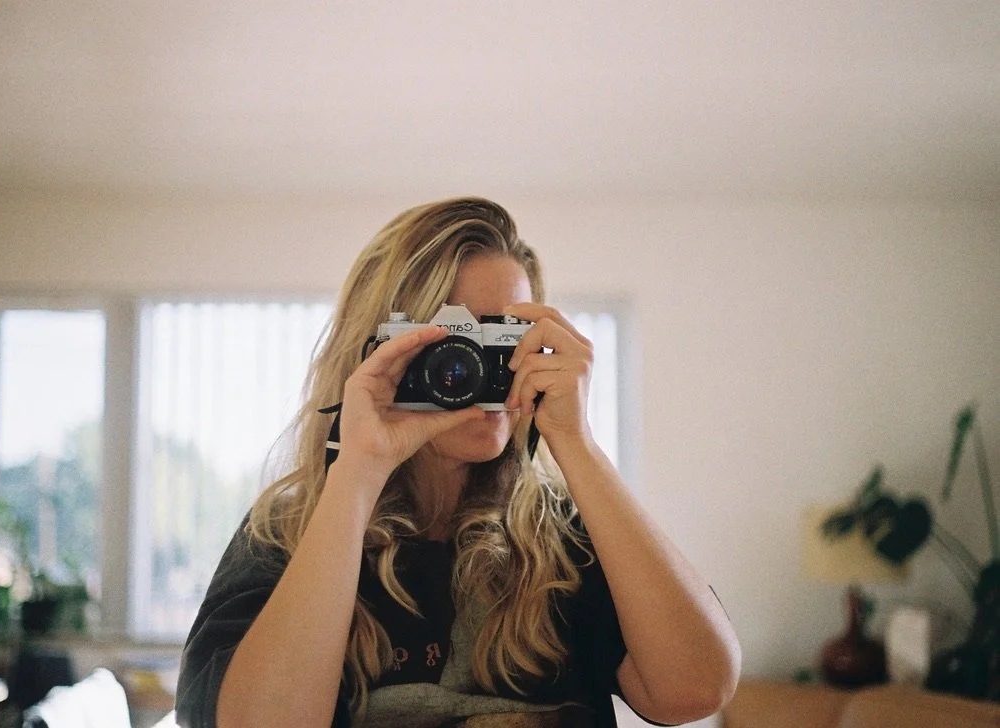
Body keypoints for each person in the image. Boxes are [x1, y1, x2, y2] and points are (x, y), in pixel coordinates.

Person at [175, 197, 740, 728]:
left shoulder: (563, 536)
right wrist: (356, 474)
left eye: (505, 339)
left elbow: (697, 689)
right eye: (454, 339)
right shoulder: (289, 534)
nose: (476, 368)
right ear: (376, 351)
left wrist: (577, 443)